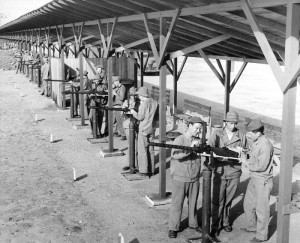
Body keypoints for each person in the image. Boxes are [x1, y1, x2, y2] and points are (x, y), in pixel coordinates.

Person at [210, 111, 247, 237]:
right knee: (217, 200)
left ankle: (225, 222)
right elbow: (210, 149)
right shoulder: (217, 134)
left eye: (235, 123)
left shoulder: (241, 135)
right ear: (225, 122)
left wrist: (242, 152)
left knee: (228, 200)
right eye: (231, 123)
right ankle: (215, 224)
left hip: (234, 171)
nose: (233, 126)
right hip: (220, 171)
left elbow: (246, 152)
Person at [168, 116, 203, 238]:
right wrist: (191, 148)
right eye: (196, 128)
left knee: (193, 203)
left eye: (200, 129)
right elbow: (176, 155)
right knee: (177, 203)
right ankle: (173, 227)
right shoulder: (180, 139)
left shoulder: (198, 140)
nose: (198, 131)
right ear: (189, 126)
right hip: (181, 177)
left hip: (194, 177)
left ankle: (193, 224)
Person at [241, 119, 274, 243]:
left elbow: (261, 166)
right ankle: (251, 227)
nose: (248, 134)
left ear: (258, 133)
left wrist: (246, 162)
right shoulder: (256, 141)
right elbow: (253, 154)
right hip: (254, 178)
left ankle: (261, 236)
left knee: (262, 209)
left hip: (262, 179)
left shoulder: (265, 144)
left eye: (250, 132)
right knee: (249, 204)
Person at [130, 86, 158, 176]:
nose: (139, 97)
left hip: (143, 129)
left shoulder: (143, 104)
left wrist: (133, 112)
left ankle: (143, 170)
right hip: (152, 129)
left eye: (139, 95)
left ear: (142, 95)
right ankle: (152, 169)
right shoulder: (155, 103)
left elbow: (140, 117)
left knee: (142, 150)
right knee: (151, 150)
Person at [122, 87, 140, 171]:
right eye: (132, 95)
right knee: (130, 145)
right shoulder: (127, 102)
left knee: (136, 145)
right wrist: (125, 109)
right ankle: (130, 163)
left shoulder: (140, 102)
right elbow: (122, 112)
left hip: (136, 124)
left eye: (135, 95)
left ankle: (136, 164)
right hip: (128, 124)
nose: (134, 97)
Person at [89, 74, 108, 138]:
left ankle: (98, 131)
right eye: (95, 80)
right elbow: (89, 93)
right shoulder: (91, 85)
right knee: (91, 117)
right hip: (93, 103)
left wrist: (103, 95)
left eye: (98, 80)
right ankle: (93, 130)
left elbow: (106, 93)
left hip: (101, 103)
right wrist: (91, 95)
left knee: (100, 118)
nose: (97, 82)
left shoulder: (104, 86)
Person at [112, 76, 126, 140]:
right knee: (118, 120)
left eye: (114, 82)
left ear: (118, 81)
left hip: (119, 105)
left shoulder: (122, 87)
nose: (113, 83)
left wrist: (115, 94)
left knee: (120, 120)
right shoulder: (118, 87)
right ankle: (117, 132)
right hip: (116, 105)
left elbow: (122, 97)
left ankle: (123, 134)